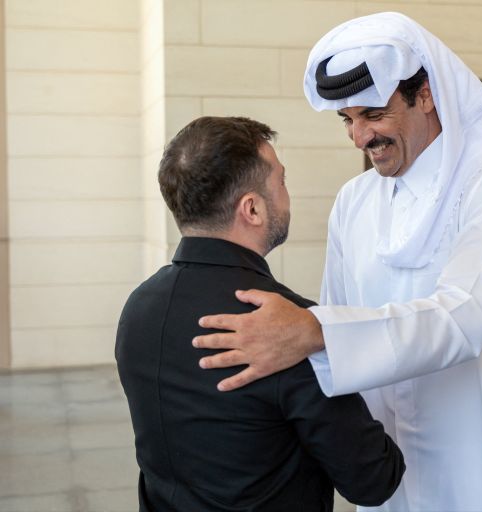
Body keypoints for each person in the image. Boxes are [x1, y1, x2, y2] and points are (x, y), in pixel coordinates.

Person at [193, 13, 482, 511]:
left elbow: (466, 315)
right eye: (347, 120)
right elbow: (339, 311)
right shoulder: (354, 200)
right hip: (387, 457)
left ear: (426, 95)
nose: (360, 138)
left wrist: (314, 332)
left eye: (373, 115)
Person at [115, 116, 404, 511]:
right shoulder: (287, 325)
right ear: (251, 209)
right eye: (281, 181)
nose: (287, 194)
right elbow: (373, 479)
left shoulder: (139, 306)